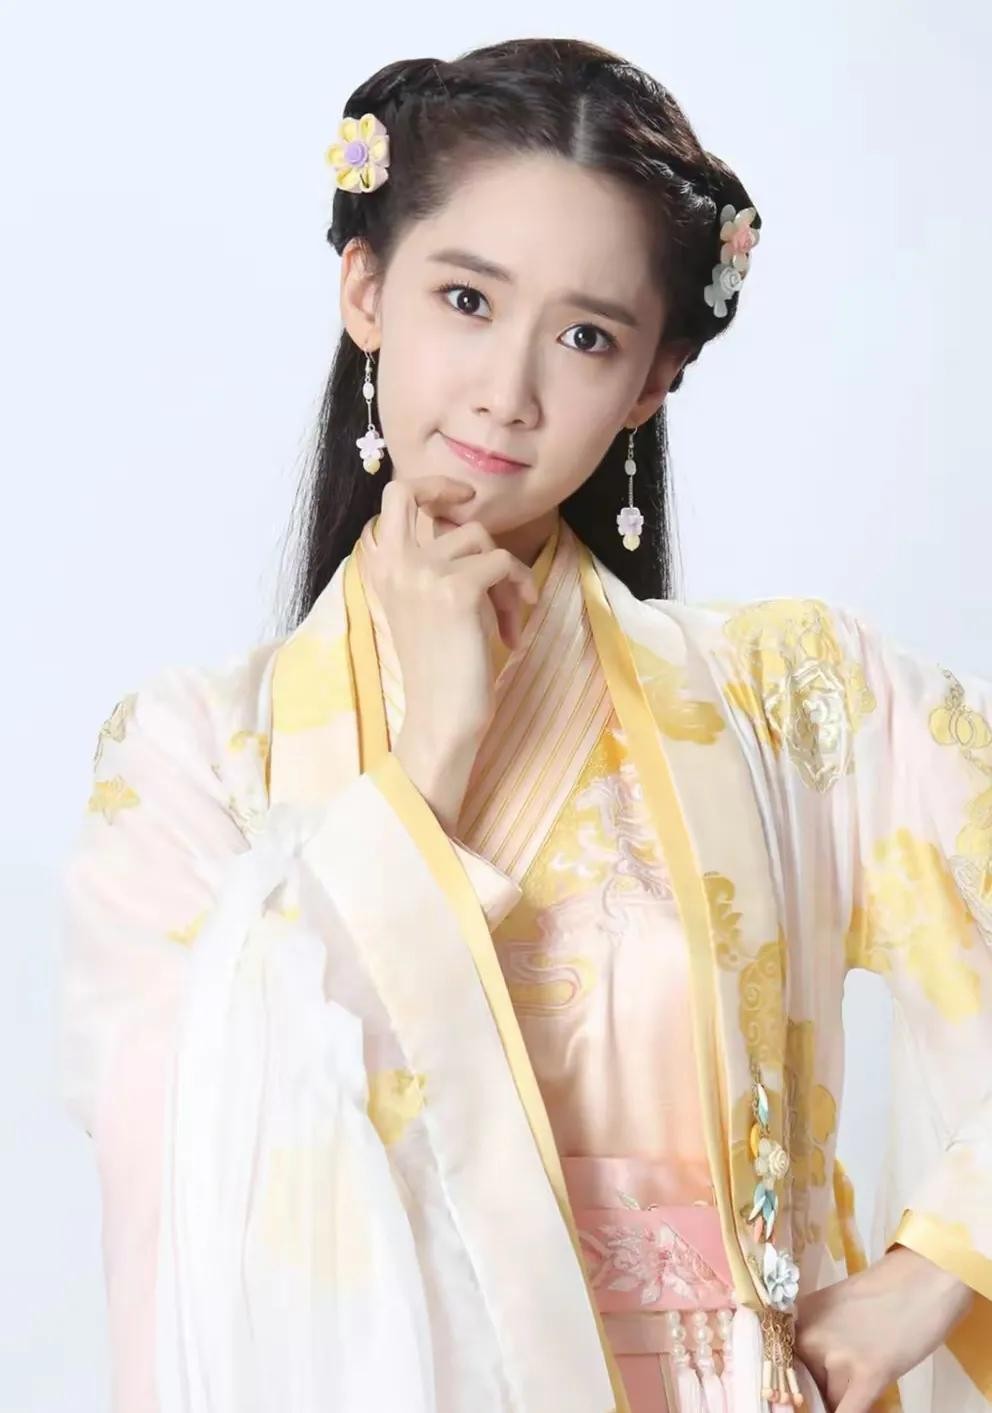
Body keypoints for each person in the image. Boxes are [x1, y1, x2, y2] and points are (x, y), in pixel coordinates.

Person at [56, 36, 992, 1413]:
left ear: (653, 379)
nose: (509, 388)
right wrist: (427, 762)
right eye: (466, 298)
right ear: (365, 290)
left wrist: (935, 1268)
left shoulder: (801, 701)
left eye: (586, 335)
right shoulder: (192, 757)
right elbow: (201, 1155)